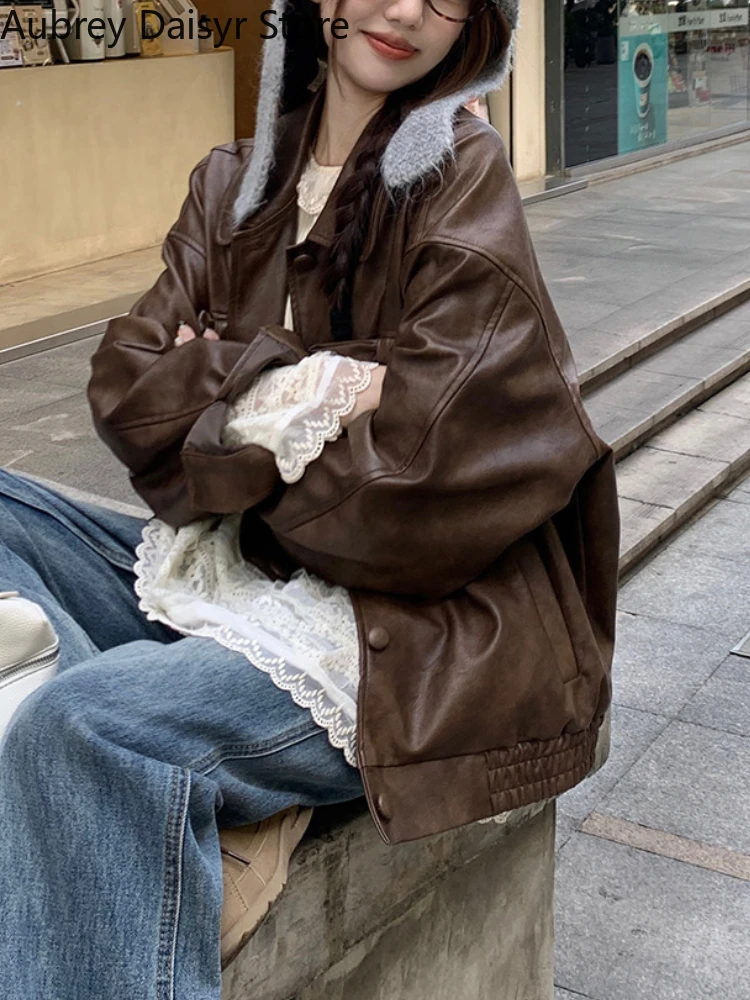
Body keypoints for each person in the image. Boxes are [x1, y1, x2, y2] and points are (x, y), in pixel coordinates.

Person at [0, 0, 620, 995]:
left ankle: (86, 752)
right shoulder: (230, 185)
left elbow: (413, 489)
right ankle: (78, 777)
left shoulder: (462, 178)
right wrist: (305, 384)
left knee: (90, 730)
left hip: (403, 632)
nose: (407, 10)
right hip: (230, 574)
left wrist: (215, 399)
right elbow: (124, 394)